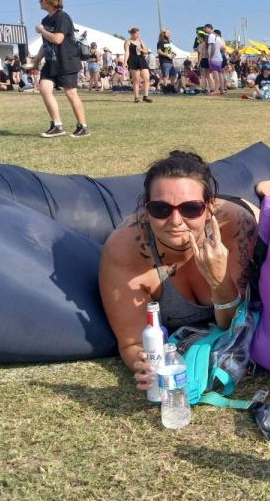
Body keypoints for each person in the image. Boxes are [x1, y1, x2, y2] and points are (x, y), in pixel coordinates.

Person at [99, 151, 260, 390]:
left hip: (238, 207)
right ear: (146, 208)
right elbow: (132, 343)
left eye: (191, 209)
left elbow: (234, 326)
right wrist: (143, 364)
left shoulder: (236, 227)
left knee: (269, 206)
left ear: (208, 208)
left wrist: (218, 281)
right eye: (161, 209)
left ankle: (269, 186)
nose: (175, 221)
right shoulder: (123, 252)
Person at [32, 0, 89, 138]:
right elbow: (46, 44)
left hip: (66, 61)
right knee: (44, 89)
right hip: (51, 63)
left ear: (48, 0)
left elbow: (57, 39)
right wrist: (37, 58)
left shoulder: (62, 17)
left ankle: (82, 126)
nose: (39, 2)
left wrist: (41, 31)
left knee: (70, 93)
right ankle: (57, 125)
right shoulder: (45, 21)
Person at [123, 27, 152, 104]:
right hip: (133, 60)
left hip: (142, 60)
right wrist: (125, 62)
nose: (138, 35)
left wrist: (141, 50)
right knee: (136, 80)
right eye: (137, 34)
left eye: (139, 34)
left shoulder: (140, 41)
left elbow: (146, 51)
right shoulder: (128, 41)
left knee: (147, 78)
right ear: (132, 34)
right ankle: (136, 97)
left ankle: (145, 96)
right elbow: (127, 52)